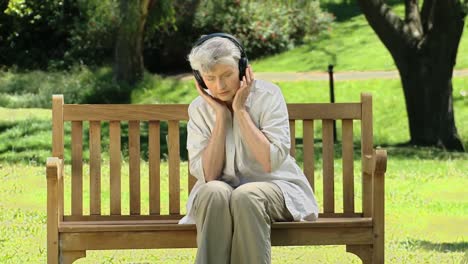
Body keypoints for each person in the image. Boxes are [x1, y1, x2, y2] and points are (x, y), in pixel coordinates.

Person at [178, 33, 319, 264]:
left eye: (227, 75)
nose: (219, 86)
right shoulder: (199, 109)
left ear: (243, 68)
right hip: (220, 193)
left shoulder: (269, 96)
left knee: (246, 195)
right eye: (210, 78)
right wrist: (222, 116)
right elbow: (209, 175)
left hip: (276, 188)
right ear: (200, 79)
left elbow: (269, 161)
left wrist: (240, 111)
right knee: (213, 191)